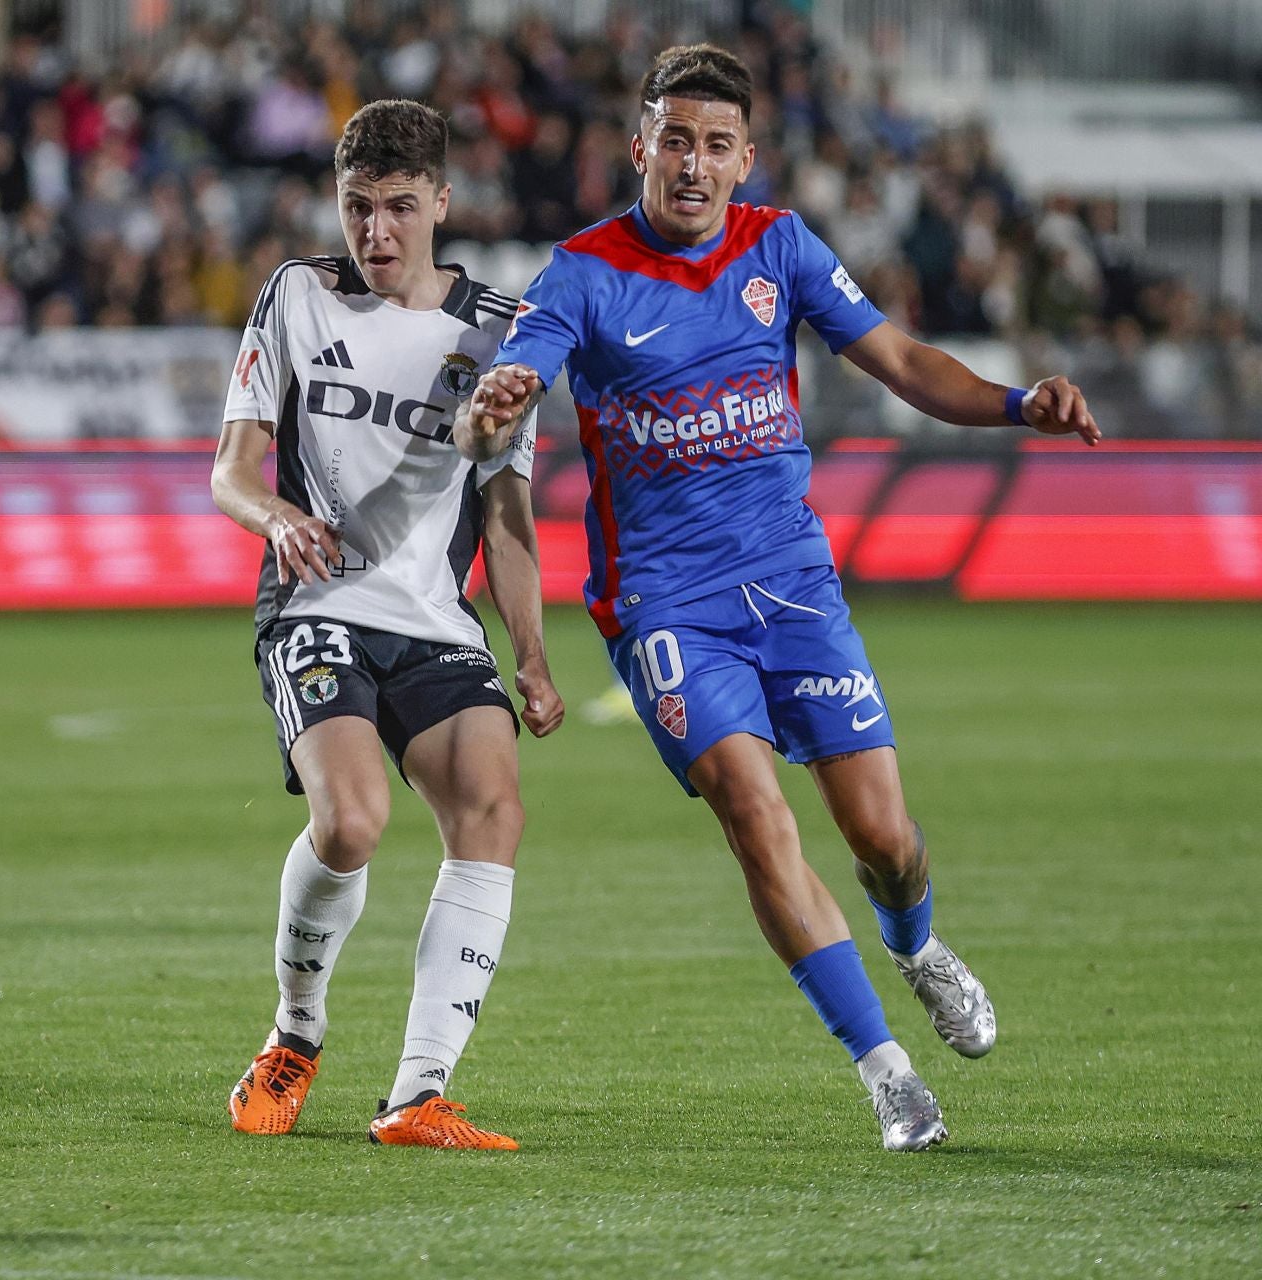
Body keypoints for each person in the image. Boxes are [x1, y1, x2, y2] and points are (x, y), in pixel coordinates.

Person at [461, 45, 1101, 1151]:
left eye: (717, 144)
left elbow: (898, 357)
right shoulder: (580, 272)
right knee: (756, 817)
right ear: (641, 147)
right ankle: (889, 1073)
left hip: (795, 585)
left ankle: (915, 945)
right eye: (675, 139)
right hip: (664, 605)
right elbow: (511, 392)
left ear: (746, 157)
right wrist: (501, 398)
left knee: (884, 836)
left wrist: (1013, 403)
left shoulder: (780, 247)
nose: (694, 164)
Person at [211, 99, 565, 1151]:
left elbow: (505, 515)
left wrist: (534, 659)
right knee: (354, 820)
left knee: (492, 809)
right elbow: (231, 472)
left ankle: (418, 1092)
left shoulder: (500, 334)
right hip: (317, 601)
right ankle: (295, 1033)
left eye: (399, 208)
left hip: (433, 614)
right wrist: (275, 515)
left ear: (442, 203)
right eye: (357, 206)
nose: (375, 232)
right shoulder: (296, 296)